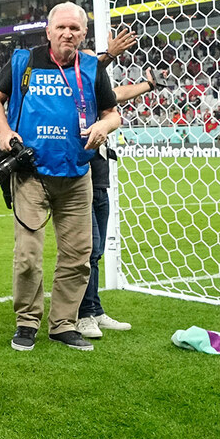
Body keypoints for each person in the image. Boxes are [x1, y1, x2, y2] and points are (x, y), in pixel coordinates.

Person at [0, 2, 119, 352]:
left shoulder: (91, 67)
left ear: (84, 34)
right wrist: (3, 131)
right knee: (28, 255)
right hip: (31, 175)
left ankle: (63, 324)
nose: (67, 33)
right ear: (48, 31)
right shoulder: (23, 62)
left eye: (75, 28)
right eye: (61, 27)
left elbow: (112, 113)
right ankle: (27, 322)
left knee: (78, 255)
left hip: (77, 175)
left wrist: (104, 126)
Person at [76, 26, 153, 338]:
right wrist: (109, 54)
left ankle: (94, 309)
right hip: (81, 177)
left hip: (101, 178)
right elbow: (85, 72)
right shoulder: (76, 88)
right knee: (87, 249)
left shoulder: (99, 93)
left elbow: (117, 94)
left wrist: (148, 85)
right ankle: (82, 315)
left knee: (95, 252)